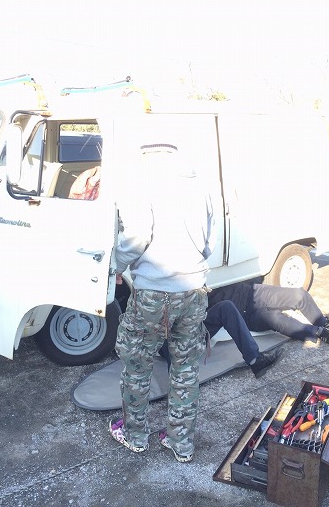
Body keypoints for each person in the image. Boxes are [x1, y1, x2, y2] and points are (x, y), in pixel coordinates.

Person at [108, 141, 215, 463]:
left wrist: (115, 265)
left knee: (137, 366)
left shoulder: (141, 181)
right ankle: (181, 443)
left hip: (154, 293)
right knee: (185, 369)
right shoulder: (200, 184)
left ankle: (135, 436)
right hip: (194, 290)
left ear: (145, 155)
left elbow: (136, 236)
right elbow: (209, 241)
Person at [160, 298, 284, 378]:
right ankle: (179, 387)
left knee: (226, 307)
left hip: (193, 327)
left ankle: (255, 360)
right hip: (168, 337)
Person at [208, 280, 329, 345]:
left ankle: (321, 321)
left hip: (251, 292)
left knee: (299, 295)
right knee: (276, 319)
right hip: (245, 316)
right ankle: (317, 332)